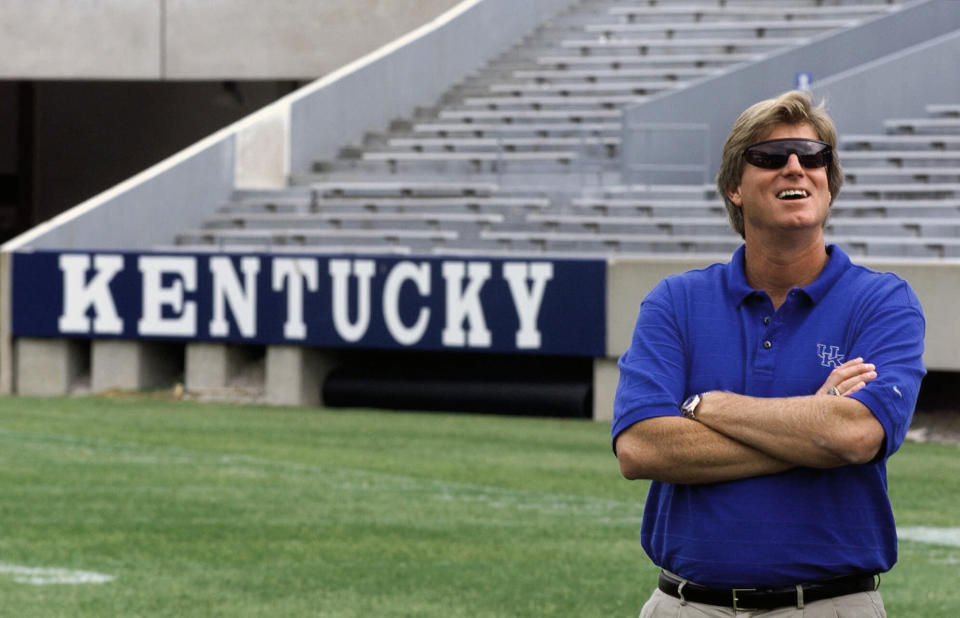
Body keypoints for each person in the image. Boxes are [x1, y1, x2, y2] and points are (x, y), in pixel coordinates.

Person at [612, 90, 926, 617]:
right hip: (685, 606)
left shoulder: (884, 302)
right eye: (771, 157)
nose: (795, 168)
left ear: (830, 183)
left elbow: (855, 434)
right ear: (735, 187)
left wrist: (705, 406)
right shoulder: (675, 301)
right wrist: (813, 424)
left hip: (832, 606)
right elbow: (641, 449)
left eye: (813, 156)